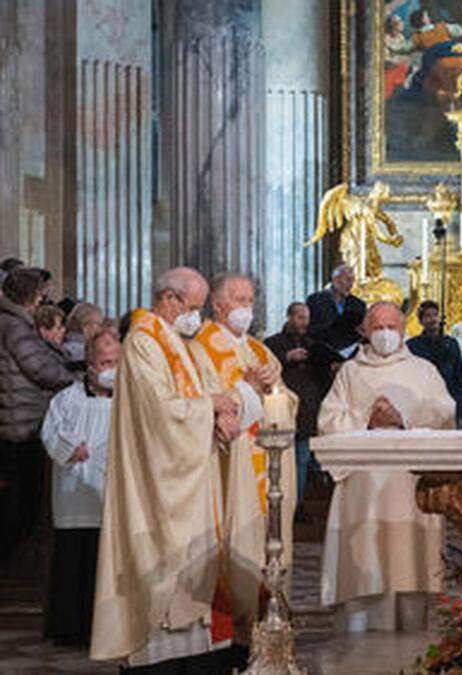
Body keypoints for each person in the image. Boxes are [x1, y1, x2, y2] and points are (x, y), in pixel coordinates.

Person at [91, 267, 243, 671]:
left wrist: (223, 412)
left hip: (191, 477)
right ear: (170, 299)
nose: (197, 316)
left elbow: (207, 393)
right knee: (165, 575)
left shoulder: (177, 342)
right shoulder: (144, 343)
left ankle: (197, 649)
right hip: (160, 480)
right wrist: (209, 408)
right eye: (193, 307)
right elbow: (157, 415)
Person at [318, 301, 456, 633]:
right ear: (365, 331)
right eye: (378, 328)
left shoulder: (423, 370)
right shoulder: (350, 372)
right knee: (365, 558)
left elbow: (446, 411)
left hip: (410, 483)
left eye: (391, 327)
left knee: (408, 559)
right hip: (362, 485)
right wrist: (365, 418)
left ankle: (412, 627)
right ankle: (358, 630)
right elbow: (327, 419)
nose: (385, 334)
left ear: (403, 330)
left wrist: (402, 418)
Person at [186, 274, 296, 644]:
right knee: (234, 542)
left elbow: (288, 401)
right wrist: (246, 389)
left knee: (269, 544)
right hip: (229, 465)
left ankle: (268, 623)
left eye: (250, 300)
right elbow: (204, 405)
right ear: (217, 305)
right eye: (239, 300)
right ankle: (234, 631)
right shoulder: (199, 350)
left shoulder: (260, 349)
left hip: (267, 463)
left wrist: (273, 390)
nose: (246, 308)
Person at [40, 329, 120, 647]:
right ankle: (71, 629)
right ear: (89, 364)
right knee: (75, 561)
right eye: (104, 362)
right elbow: (51, 434)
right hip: (75, 493)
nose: (110, 369)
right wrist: (71, 449)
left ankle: (109, 627)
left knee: (107, 563)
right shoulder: (67, 399)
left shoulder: (130, 399)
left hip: (113, 494)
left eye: (116, 361)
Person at [0, 267, 77, 565]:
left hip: (16, 419)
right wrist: (78, 382)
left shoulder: (11, 323)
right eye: (42, 293)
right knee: (23, 504)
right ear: (31, 295)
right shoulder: (16, 327)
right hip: (23, 424)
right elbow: (39, 368)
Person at [265, 302, 325, 510]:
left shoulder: (312, 343)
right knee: (283, 461)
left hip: (308, 410)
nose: (304, 323)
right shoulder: (273, 343)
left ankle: (298, 505)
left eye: (306, 318)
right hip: (282, 412)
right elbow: (266, 370)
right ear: (289, 317)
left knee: (303, 460)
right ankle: (285, 504)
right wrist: (286, 358)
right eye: (300, 318)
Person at [407, 300, 462, 422]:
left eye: (435, 315)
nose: (433, 319)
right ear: (421, 321)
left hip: (447, 400)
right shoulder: (412, 346)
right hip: (422, 403)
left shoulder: (450, 344)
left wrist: (459, 405)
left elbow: (459, 376)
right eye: (428, 316)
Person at [307, 264, 367, 365]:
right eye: (348, 279)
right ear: (335, 280)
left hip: (351, 357)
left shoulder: (358, 304)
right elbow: (310, 329)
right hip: (323, 356)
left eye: (353, 280)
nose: (351, 284)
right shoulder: (315, 300)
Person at [62, 301, 105, 368]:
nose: (101, 329)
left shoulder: (63, 346)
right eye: (99, 324)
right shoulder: (84, 352)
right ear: (85, 326)